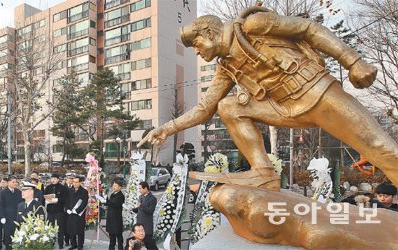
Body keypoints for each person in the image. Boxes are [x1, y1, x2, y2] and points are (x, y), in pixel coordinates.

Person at [138, 8, 398, 189]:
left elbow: (307, 28)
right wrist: (167, 128)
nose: (197, 52)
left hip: (318, 92)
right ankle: (263, 173)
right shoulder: (225, 67)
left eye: (197, 45)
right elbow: (205, 108)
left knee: (381, 148)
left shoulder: (252, 26)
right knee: (229, 106)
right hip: (284, 108)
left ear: (208, 33)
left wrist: (353, 61)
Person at [99, 179, 125, 250]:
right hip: (111, 218)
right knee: (112, 237)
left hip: (116, 219)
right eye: (113, 185)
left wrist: (106, 201)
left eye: (115, 186)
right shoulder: (113, 194)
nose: (113, 187)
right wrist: (105, 198)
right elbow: (110, 202)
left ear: (120, 187)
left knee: (119, 237)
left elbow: (114, 204)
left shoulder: (120, 196)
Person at [0, 176, 22, 250]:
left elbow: (21, 203)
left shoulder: (18, 192)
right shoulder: (3, 192)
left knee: (17, 236)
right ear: (8, 183)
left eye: (16, 182)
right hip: (7, 218)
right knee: (8, 237)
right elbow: (1, 205)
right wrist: (2, 216)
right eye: (13, 182)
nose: (15, 183)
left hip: (17, 217)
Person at [44, 173, 66, 249]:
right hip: (50, 211)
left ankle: (61, 244)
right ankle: (50, 243)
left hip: (59, 211)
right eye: (52, 178)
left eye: (54, 179)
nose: (53, 180)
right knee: (50, 228)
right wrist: (47, 200)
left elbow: (65, 199)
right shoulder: (48, 187)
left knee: (60, 228)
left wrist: (57, 200)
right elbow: (44, 197)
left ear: (58, 179)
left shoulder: (62, 188)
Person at [66, 176, 88, 250]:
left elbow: (84, 203)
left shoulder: (84, 191)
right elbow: (67, 201)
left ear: (80, 183)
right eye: (73, 182)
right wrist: (67, 209)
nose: (74, 183)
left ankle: (80, 245)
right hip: (70, 213)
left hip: (79, 214)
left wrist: (77, 210)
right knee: (71, 229)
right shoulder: (70, 190)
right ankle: (73, 244)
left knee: (79, 230)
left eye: (76, 182)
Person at [63, 174, 75, 247]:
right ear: (66, 179)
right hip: (64, 209)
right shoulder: (63, 187)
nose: (71, 180)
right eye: (69, 179)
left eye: (72, 179)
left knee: (72, 226)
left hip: (72, 209)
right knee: (65, 226)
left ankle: (72, 241)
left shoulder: (75, 187)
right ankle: (66, 240)